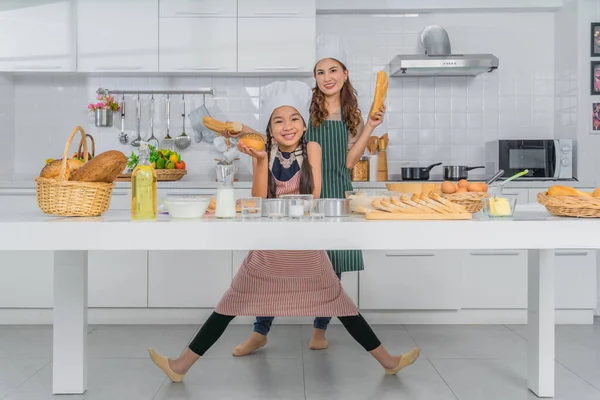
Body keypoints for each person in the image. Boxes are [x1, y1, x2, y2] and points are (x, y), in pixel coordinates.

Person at [148, 80, 419, 383]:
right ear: (270, 129)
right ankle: (180, 366)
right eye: (278, 121)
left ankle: (389, 361)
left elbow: (314, 195)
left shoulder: (313, 148)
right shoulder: (264, 151)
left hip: (306, 245)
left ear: (304, 126)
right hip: (269, 247)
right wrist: (261, 160)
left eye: (293, 119)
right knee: (230, 304)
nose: (287, 126)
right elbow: (260, 200)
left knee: (340, 303)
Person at [230, 34, 386, 356]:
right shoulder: (304, 108)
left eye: (333, 71)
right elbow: (280, 137)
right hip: (300, 192)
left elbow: (348, 161)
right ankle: (261, 330)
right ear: (314, 78)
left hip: (336, 189)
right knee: (277, 258)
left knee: (332, 261)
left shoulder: (352, 114)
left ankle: (320, 327)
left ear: (345, 74)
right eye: (320, 72)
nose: (327, 78)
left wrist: (369, 126)